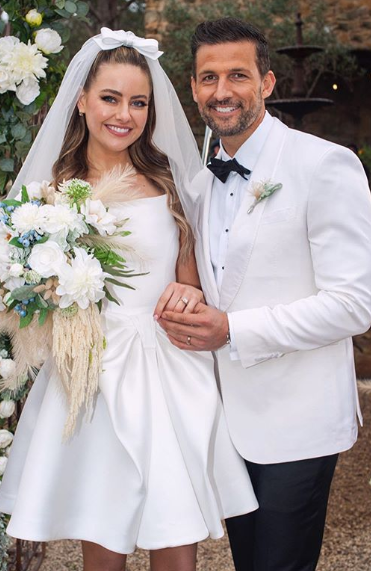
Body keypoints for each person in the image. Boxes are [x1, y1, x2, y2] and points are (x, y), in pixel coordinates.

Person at [0, 28, 258, 571]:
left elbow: (191, 280)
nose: (125, 113)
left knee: (176, 542)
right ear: (83, 100)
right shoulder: (50, 194)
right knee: (103, 540)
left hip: (167, 373)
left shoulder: (167, 180)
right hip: (91, 375)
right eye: (111, 98)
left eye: (139, 101)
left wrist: (188, 293)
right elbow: (23, 294)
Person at [157, 17, 371, 571]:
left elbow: (354, 303)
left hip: (300, 421)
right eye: (208, 78)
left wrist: (233, 329)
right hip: (229, 423)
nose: (222, 92)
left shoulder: (324, 164)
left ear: (268, 83)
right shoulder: (201, 185)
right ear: (195, 87)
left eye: (237, 76)